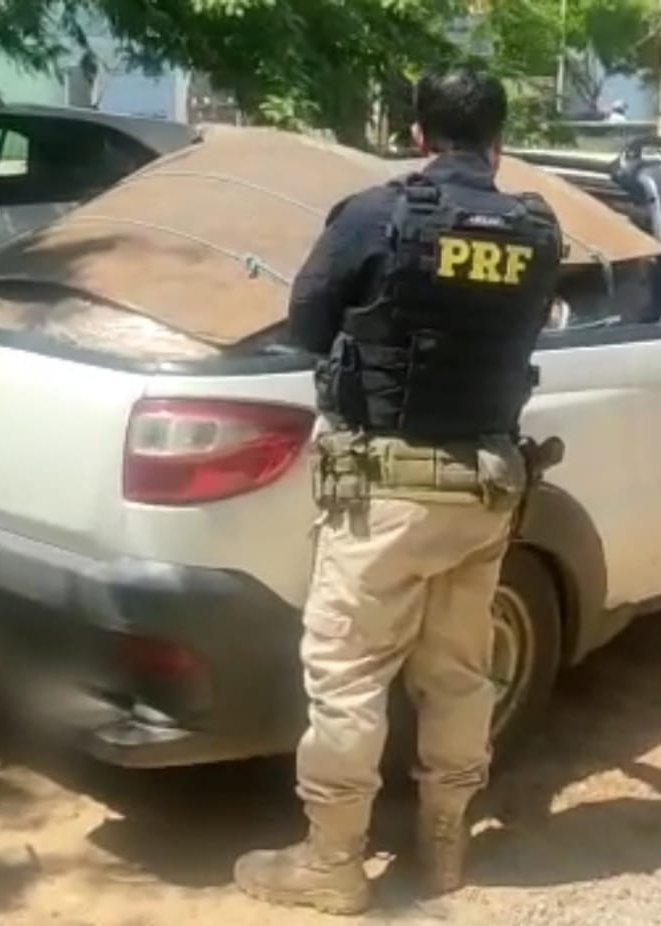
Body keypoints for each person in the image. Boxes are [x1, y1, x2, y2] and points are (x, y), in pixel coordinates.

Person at [232, 65, 565, 915]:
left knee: (346, 677)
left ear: (418, 136)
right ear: (499, 143)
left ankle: (332, 865)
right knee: (458, 675)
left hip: (386, 495)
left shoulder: (378, 215)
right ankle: (445, 844)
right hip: (486, 492)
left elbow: (309, 327)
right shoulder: (537, 227)